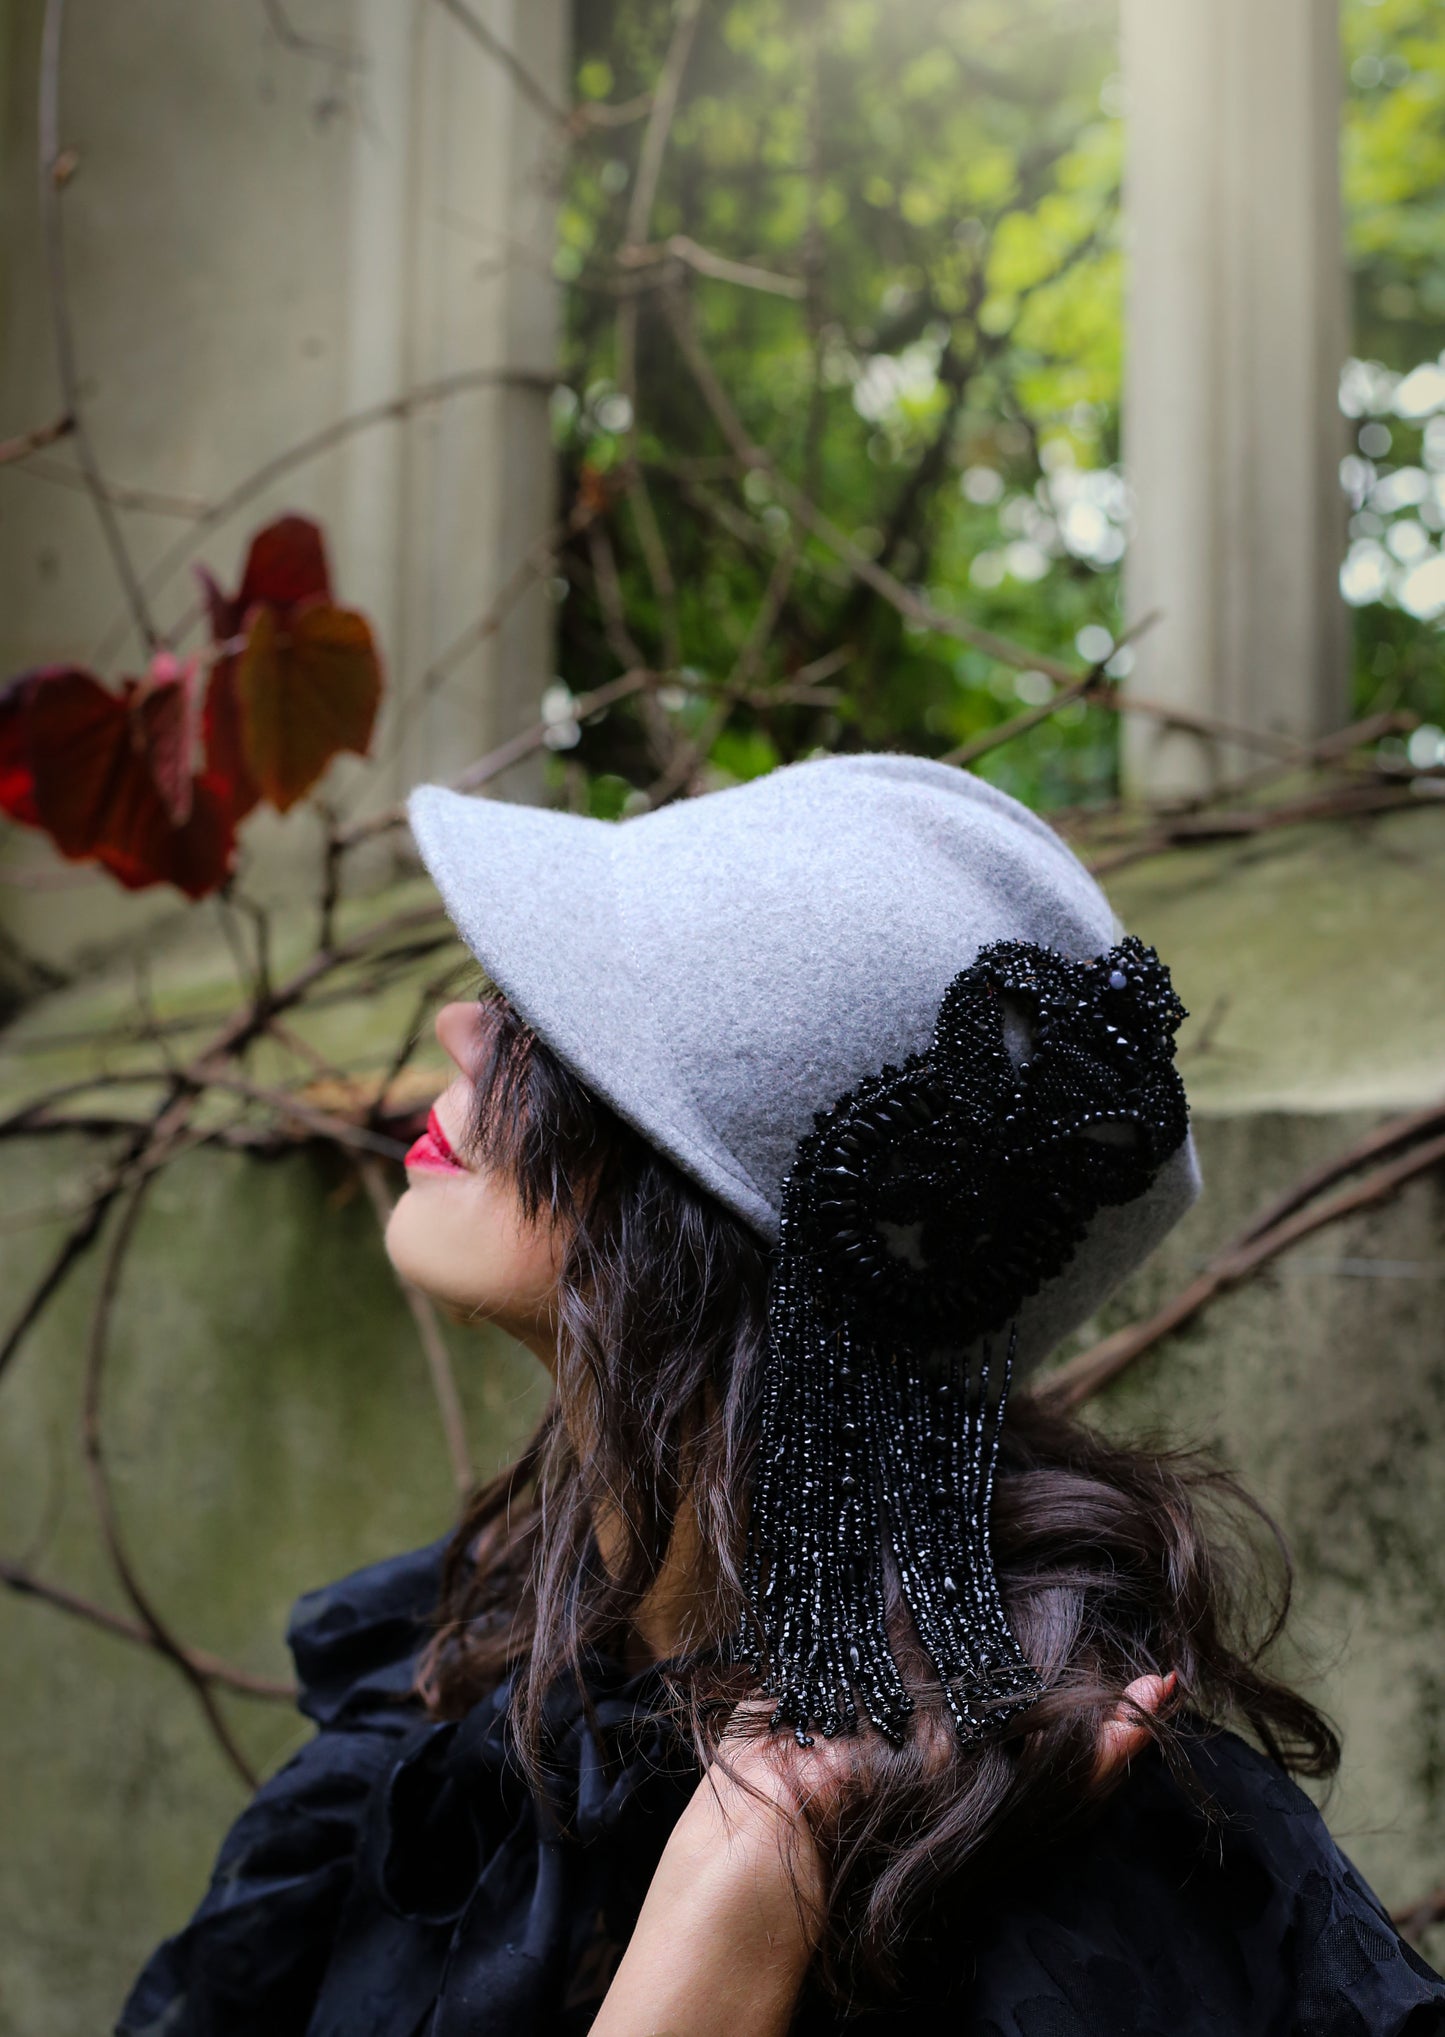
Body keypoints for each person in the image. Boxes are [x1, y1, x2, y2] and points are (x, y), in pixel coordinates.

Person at [118, 756, 1445, 2036]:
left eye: (559, 1023)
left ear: (717, 1223)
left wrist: (743, 1905)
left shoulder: (1083, 1894)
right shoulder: (442, 1736)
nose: (464, 1026)